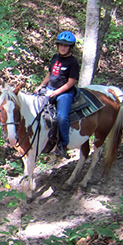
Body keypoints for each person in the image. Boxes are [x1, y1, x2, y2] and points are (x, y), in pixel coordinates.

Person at [34, 31, 80, 159]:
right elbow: (50, 75)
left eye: (66, 46)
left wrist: (55, 92)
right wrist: (41, 86)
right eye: (60, 45)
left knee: (62, 117)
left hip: (64, 93)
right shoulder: (55, 57)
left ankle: (63, 145)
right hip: (49, 89)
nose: (63, 48)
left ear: (70, 47)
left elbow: (71, 82)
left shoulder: (73, 62)